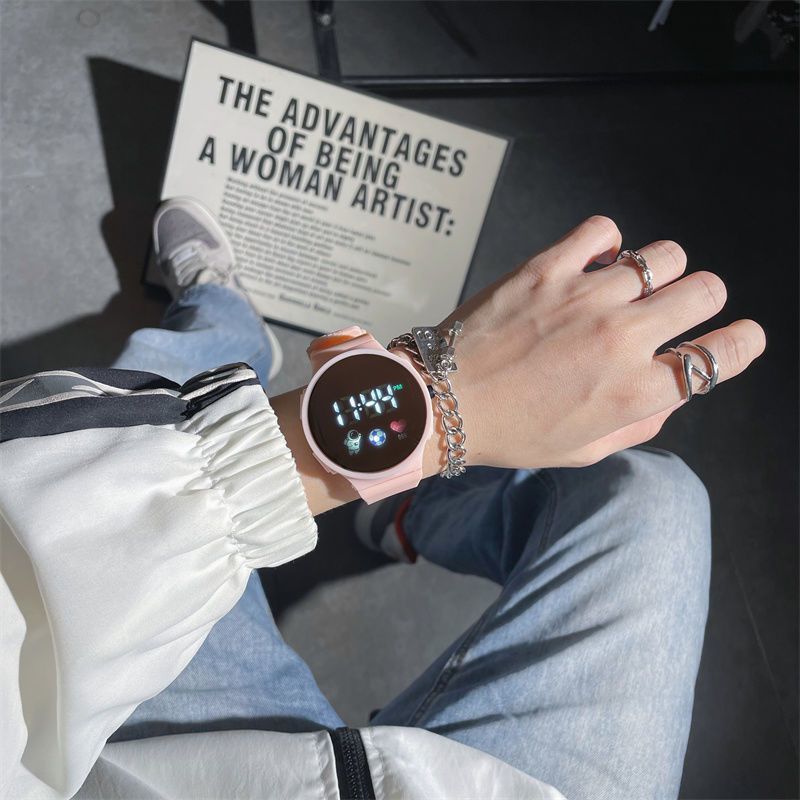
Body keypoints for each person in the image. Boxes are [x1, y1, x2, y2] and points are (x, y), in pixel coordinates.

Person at [0, 199, 765, 800]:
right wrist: (439, 403)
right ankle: (400, 506)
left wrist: (438, 400)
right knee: (654, 496)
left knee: (144, 421)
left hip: (182, 769)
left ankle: (223, 321)